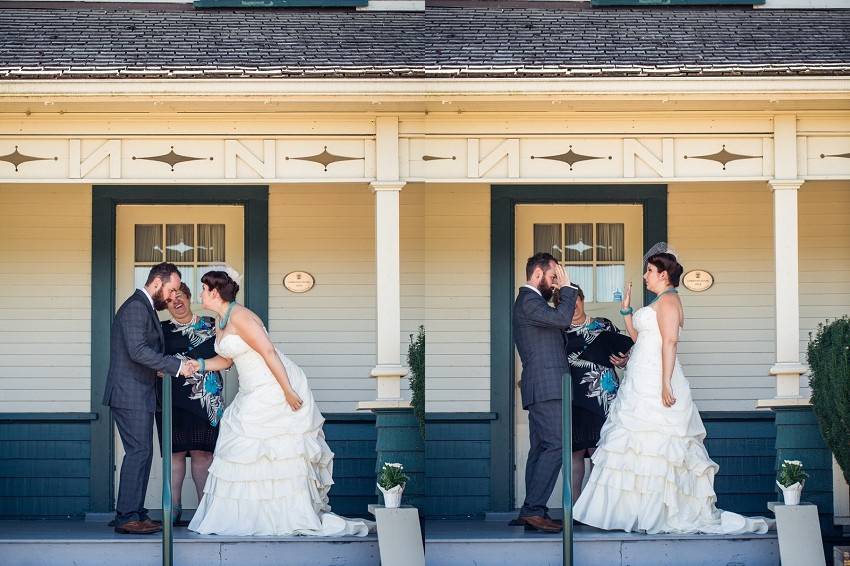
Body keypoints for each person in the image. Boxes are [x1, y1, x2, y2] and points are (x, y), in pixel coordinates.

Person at [573, 246, 771, 535]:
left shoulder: (669, 302)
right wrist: (626, 312)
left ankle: (659, 511)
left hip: (656, 377)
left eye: (650, 271)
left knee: (658, 444)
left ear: (663, 274)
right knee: (635, 444)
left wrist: (665, 383)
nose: (645, 276)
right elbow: (641, 340)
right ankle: (634, 512)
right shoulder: (658, 301)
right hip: (640, 376)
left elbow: (669, 343)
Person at [186, 269, 372, 536]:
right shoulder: (221, 321)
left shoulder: (242, 317)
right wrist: (200, 364)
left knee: (277, 451)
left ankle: (286, 515)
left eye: (203, 289)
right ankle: (250, 517)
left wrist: (287, 390)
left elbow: (268, 351)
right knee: (245, 451)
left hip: (273, 385)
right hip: (251, 390)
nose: (200, 294)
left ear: (214, 292)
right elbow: (228, 360)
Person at [102, 262, 198, 535]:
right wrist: (176, 366)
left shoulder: (144, 307)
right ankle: (127, 517)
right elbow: (137, 351)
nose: (172, 297)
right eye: (171, 290)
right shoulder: (135, 307)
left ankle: (134, 512)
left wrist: (159, 366)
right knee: (139, 453)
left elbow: (140, 352)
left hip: (138, 392)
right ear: (157, 282)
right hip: (130, 393)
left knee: (141, 454)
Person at [512, 252, 578, 533]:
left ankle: (531, 510)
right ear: (537, 274)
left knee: (541, 448)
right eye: (553, 277)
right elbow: (563, 319)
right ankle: (534, 510)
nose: (555, 283)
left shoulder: (533, 303)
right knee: (556, 445)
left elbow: (556, 325)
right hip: (547, 386)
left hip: (544, 386)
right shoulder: (529, 301)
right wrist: (569, 288)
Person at [154, 282, 223, 526]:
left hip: (206, 399)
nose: (177, 302)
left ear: (189, 297)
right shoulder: (159, 329)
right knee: (175, 455)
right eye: (170, 299)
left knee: (203, 454)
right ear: (165, 304)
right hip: (170, 398)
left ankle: (206, 510)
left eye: (180, 296)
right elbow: (150, 359)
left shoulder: (211, 325)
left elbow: (226, 356)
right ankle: (172, 509)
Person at [560, 285, 631, 504]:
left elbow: (625, 352)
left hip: (604, 398)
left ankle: (598, 507)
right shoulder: (557, 332)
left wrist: (624, 360)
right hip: (572, 398)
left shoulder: (603, 324)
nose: (573, 307)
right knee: (575, 453)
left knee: (601, 452)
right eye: (566, 304)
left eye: (576, 301)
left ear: (582, 299)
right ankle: (574, 507)